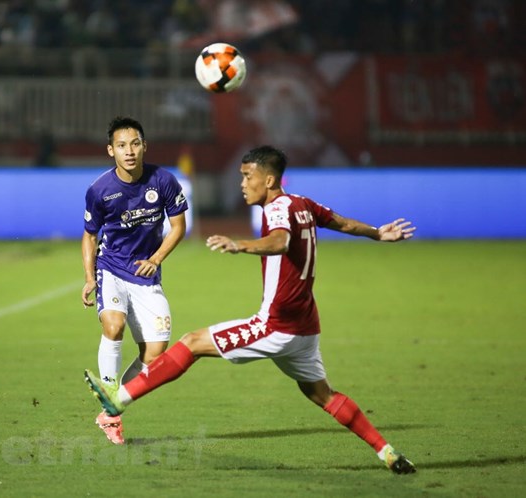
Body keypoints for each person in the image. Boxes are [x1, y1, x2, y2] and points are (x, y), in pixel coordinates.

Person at [85, 145, 417, 473]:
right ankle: (386, 451)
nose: (242, 184)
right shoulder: (303, 204)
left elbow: (280, 242)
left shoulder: (275, 210)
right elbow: (341, 223)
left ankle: (119, 400)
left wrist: (239, 244)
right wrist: (377, 233)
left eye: (247, 176)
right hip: (306, 329)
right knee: (323, 395)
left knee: (191, 342)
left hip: (276, 325)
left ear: (270, 181)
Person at [81, 116, 188, 445]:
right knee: (113, 326)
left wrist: (155, 259)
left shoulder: (164, 181)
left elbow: (179, 226)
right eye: (122, 145)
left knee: (155, 355)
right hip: (111, 268)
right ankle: (110, 404)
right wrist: (89, 278)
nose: (129, 151)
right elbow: (89, 236)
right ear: (111, 150)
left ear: (145, 146)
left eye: (135, 144)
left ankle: (113, 406)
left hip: (146, 274)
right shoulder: (100, 190)